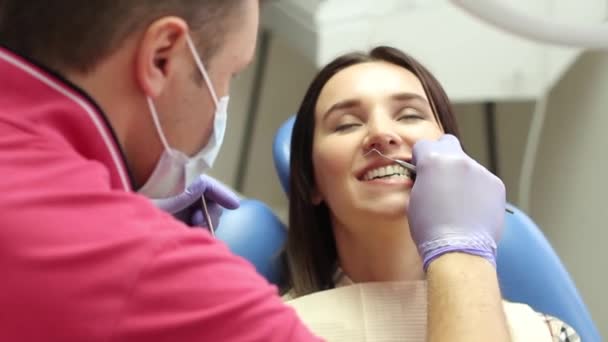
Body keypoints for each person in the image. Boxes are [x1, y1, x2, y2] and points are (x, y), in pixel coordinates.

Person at [0, 1, 515, 341]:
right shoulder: (171, 281)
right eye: (231, 74)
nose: (383, 135)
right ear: (161, 58)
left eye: (409, 114)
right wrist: (463, 255)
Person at [282, 46, 579, 341]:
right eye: (347, 124)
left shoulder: (544, 333)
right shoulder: (263, 330)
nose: (382, 134)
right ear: (311, 182)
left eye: (410, 116)